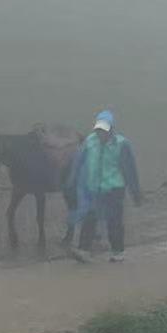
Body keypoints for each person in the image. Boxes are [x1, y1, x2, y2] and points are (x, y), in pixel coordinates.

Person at [68, 111, 142, 262]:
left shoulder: (122, 144)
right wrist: (71, 182)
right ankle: (83, 250)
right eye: (98, 130)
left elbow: (130, 170)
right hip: (95, 188)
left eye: (104, 130)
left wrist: (135, 192)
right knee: (91, 216)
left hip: (115, 188)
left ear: (111, 129)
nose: (100, 133)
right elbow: (78, 163)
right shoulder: (90, 141)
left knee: (114, 220)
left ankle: (117, 252)